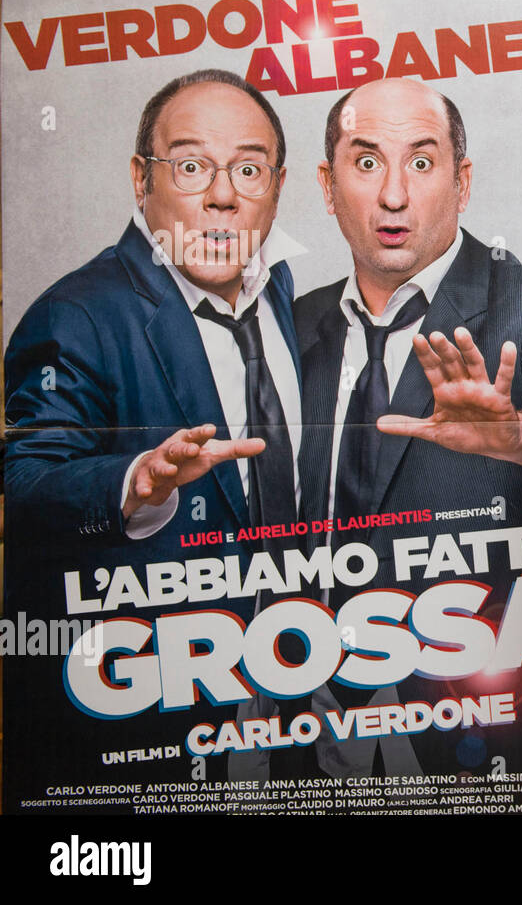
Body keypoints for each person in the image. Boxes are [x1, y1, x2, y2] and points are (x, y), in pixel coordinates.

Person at [3, 68, 301, 793]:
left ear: (279, 184)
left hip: (291, 698)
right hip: (152, 721)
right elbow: (23, 486)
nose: (223, 194)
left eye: (249, 169)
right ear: (142, 179)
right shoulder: (77, 314)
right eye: (192, 165)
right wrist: (133, 480)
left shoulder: (285, 293)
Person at [294, 77, 522, 780]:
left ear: (462, 184)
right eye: (366, 163)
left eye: (422, 163)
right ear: (326, 183)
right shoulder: (286, 329)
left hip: (500, 739)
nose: (393, 195)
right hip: (312, 740)